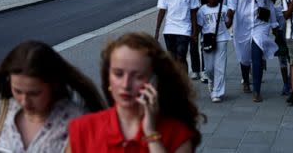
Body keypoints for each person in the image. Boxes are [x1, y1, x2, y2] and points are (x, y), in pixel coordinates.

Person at [68, 32, 203, 152]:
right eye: (118, 74)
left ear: (154, 81)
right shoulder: (82, 129)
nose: (126, 85)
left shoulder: (177, 135)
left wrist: (151, 134)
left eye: (138, 76)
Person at [0, 41, 105, 152]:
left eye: (34, 93)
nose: (25, 101)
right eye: (17, 91)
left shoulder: (78, 122)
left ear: (54, 85)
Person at [226, 0, 279, 102]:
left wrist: (274, 26)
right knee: (244, 57)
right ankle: (245, 79)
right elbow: (231, 4)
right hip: (242, 26)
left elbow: (270, 6)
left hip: (260, 26)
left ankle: (257, 90)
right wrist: (229, 17)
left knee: (257, 55)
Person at [154, 0, 200, 72]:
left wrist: (195, 31)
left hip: (184, 29)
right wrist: (157, 30)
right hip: (169, 29)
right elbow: (162, 11)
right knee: (172, 58)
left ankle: (184, 82)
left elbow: (194, 12)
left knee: (181, 56)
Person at [184, 0, 222, 83]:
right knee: (193, 41)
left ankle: (205, 70)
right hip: (192, 14)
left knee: (205, 42)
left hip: (206, 12)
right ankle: (195, 70)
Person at [195, 0, 230, 103]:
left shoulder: (224, 9)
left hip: (221, 38)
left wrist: (231, 17)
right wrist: (195, 37)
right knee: (209, 68)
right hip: (207, 40)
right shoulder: (202, 10)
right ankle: (211, 81)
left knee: (220, 67)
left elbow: (228, 25)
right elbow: (199, 26)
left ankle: (217, 92)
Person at [274, 0, 293, 96]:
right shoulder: (277, 10)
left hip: (292, 37)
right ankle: (286, 83)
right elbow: (273, 24)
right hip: (281, 38)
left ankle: (291, 80)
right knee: (282, 62)